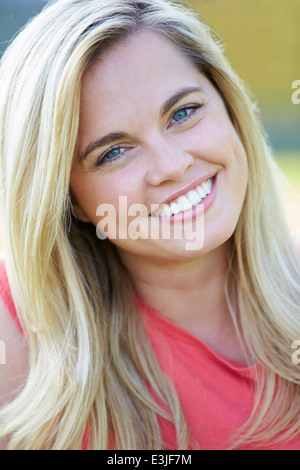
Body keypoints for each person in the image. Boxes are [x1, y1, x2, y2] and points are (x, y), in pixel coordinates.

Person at [0, 0, 299, 451]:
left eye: (183, 112)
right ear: (68, 200)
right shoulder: (18, 332)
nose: (173, 167)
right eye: (113, 152)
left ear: (229, 106)